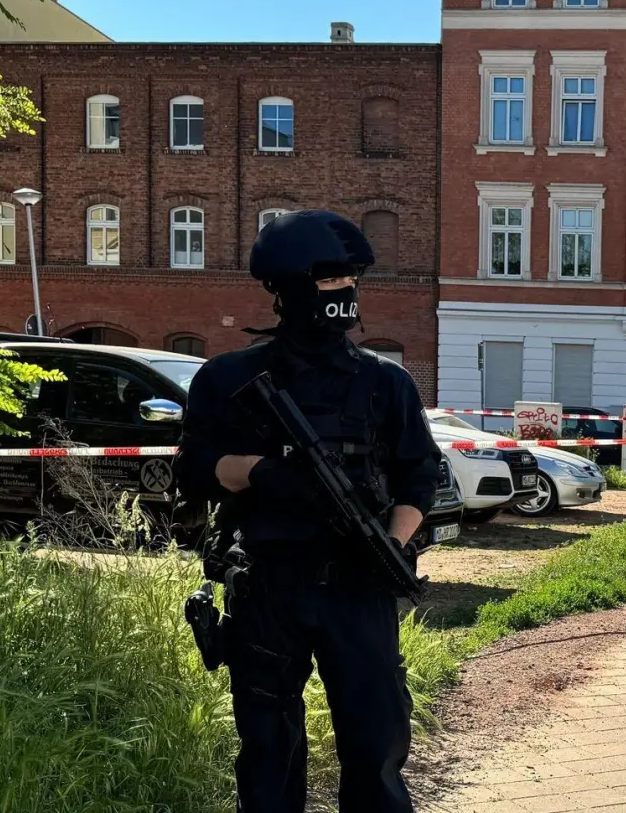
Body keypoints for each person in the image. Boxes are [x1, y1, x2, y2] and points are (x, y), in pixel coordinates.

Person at [175, 210, 442, 813]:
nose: (342, 290)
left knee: (376, 747)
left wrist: (393, 545)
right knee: (269, 752)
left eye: (350, 278)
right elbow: (192, 471)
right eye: (327, 279)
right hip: (269, 587)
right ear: (286, 287)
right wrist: (259, 471)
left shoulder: (385, 384)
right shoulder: (228, 379)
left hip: (360, 589)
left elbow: (420, 478)